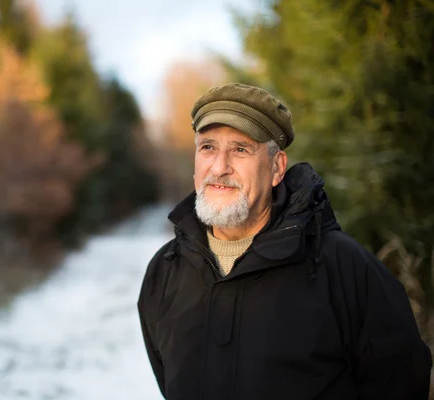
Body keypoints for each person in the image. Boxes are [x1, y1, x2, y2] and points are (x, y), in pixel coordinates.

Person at [137, 83, 432, 400]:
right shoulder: (164, 272)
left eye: (240, 149)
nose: (219, 167)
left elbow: (402, 383)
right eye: (208, 147)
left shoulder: (342, 267)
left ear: (277, 167)